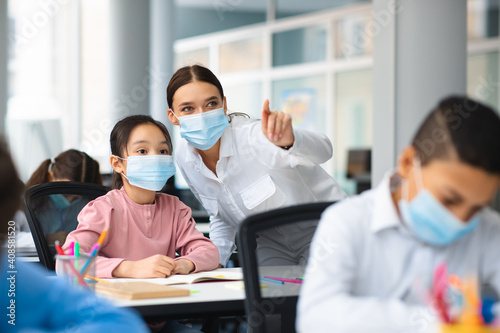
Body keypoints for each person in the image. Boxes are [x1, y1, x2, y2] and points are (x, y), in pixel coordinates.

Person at [297, 96, 500, 332]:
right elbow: (316, 317)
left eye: (477, 207)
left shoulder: (488, 228)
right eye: (449, 199)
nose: (461, 219)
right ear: (407, 163)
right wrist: (438, 325)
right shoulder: (347, 222)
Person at [166, 65, 347, 267]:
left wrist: (291, 139)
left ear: (224, 105)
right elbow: (222, 217)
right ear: (173, 116)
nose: (201, 115)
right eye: (188, 108)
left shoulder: (253, 137)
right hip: (270, 245)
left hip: (323, 232)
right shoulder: (185, 157)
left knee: (319, 295)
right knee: (263, 296)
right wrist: (214, 263)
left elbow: (324, 150)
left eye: (210, 104)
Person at [0, 138, 148, 332]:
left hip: (78, 279)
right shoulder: (36, 203)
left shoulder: (17, 281)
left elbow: (121, 322)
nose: (70, 197)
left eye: (76, 195)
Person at [61, 115, 219, 279]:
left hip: (165, 297)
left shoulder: (175, 208)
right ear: (117, 163)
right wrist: (127, 269)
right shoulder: (103, 209)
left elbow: (209, 252)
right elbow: (67, 261)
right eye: (142, 151)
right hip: (115, 300)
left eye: (163, 151)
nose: (156, 158)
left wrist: (185, 263)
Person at [21, 149, 103, 245]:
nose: (70, 200)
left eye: (77, 197)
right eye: (66, 193)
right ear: (51, 177)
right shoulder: (30, 202)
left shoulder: (91, 204)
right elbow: (10, 241)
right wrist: (45, 239)